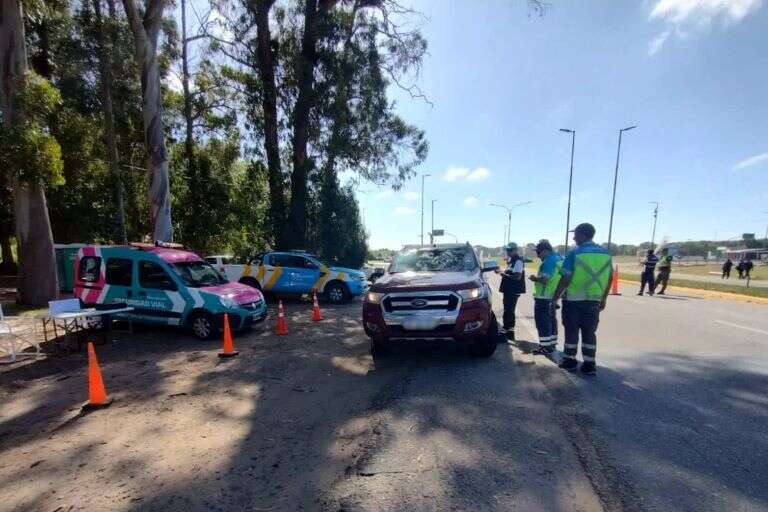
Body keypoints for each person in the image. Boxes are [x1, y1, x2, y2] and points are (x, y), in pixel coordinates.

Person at [552, 223, 613, 375]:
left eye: (575, 235)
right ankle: (590, 364)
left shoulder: (574, 253)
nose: (574, 238)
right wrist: (604, 299)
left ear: (583, 235)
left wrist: (555, 298)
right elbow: (609, 278)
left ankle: (570, 361)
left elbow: (565, 279)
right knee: (589, 332)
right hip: (594, 301)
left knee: (571, 331)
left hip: (573, 301)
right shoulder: (606, 254)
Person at [529, 240, 562, 355]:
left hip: (543, 297)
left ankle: (545, 347)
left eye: (538, 252)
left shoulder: (548, 262)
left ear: (545, 251)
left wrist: (534, 278)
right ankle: (551, 344)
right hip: (553, 296)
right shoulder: (559, 258)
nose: (537, 255)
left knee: (542, 322)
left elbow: (544, 279)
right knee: (552, 321)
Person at [496, 242, 525, 341]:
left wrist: (502, 274)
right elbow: (510, 272)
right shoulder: (511, 260)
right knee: (509, 311)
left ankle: (504, 332)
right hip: (509, 289)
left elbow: (517, 277)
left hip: (513, 290)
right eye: (507, 250)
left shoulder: (518, 261)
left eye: (510, 250)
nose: (508, 252)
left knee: (508, 311)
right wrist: (501, 271)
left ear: (515, 250)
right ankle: (510, 333)